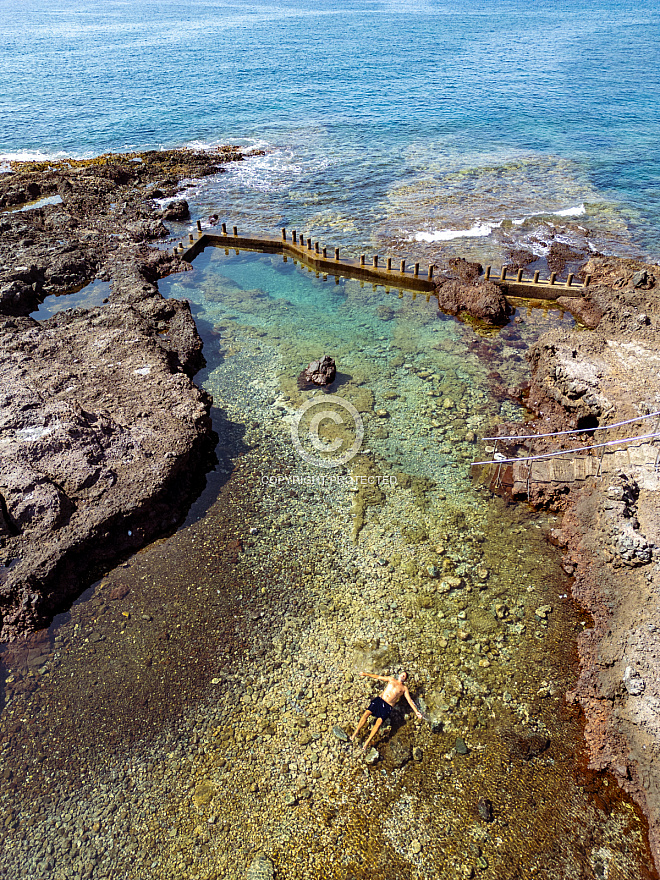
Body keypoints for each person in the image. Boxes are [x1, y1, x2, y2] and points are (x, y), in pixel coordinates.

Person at [350, 671, 423, 751]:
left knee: (378, 723)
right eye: (402, 675)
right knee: (366, 713)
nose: (402, 676)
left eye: (404, 676)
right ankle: (356, 732)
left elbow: (409, 700)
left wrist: (416, 712)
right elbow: (378, 677)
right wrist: (365, 674)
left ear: (405, 680)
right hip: (380, 700)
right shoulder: (391, 679)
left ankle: (367, 741)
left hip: (388, 706)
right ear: (399, 675)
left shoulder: (404, 688)